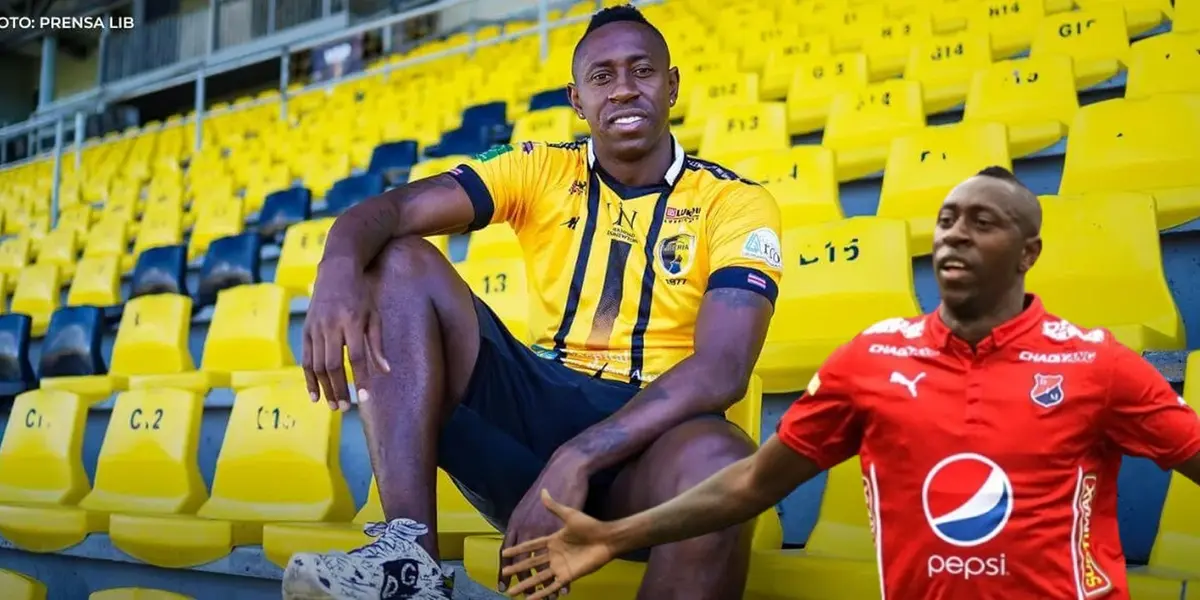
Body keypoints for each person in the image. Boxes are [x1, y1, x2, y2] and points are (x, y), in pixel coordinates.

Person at [498, 167, 1200, 600]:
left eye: (983, 223)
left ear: (1029, 253)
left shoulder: (1096, 364)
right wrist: (617, 536)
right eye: (946, 220)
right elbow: (751, 485)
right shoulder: (870, 361)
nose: (954, 236)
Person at [283, 4, 784, 600]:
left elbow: (724, 369)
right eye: (602, 77)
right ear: (576, 100)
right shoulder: (542, 168)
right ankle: (409, 562)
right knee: (396, 259)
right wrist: (337, 266)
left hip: (652, 443)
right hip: (534, 408)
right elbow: (393, 210)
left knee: (725, 465)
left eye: (641, 71)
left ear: (671, 85)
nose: (623, 89)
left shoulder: (736, 202)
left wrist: (577, 456)